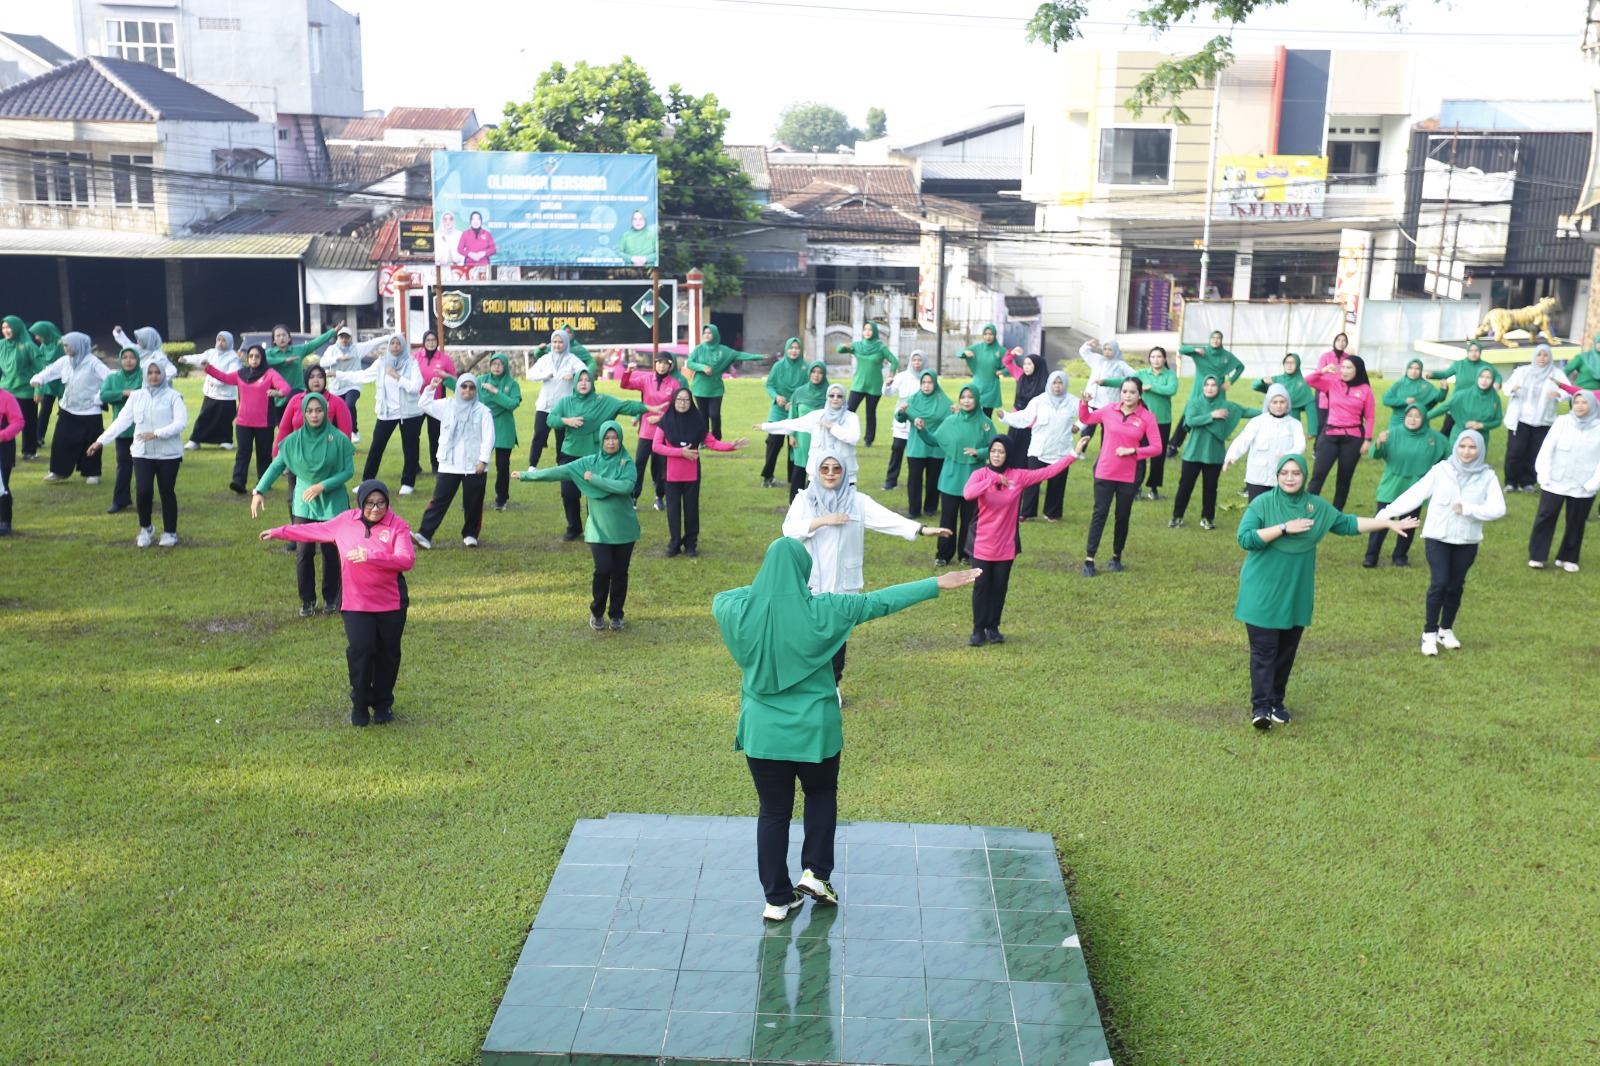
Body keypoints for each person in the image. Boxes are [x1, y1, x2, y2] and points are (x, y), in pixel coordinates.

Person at [713, 537, 980, 920]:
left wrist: (769, 589)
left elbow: (725, 594)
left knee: (773, 812)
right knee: (820, 794)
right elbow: (880, 601)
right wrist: (937, 582)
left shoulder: (733, 609)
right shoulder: (828, 608)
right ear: (803, 572)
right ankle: (816, 874)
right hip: (815, 732)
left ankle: (776, 900)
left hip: (763, 735)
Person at [1236, 455, 1419, 727]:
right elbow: (1245, 538)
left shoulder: (1316, 507)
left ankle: (1276, 702)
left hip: (1296, 592)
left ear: (1304, 475)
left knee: (1286, 650)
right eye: (1284, 473)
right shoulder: (1262, 503)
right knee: (1264, 650)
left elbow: (1347, 524)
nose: (1289, 478)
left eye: (1296, 473)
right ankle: (1260, 708)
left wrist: (1387, 523)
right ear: (1277, 476)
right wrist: (1283, 528)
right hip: (1262, 592)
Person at [783, 449, 951, 686]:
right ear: (817, 471)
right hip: (812, 584)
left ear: (844, 472)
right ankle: (806, 685)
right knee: (809, 637)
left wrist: (921, 529)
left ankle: (833, 686)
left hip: (842, 584)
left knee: (837, 636)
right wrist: (822, 521)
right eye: (825, 468)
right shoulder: (804, 500)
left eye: (836, 469)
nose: (830, 473)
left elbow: (887, 519)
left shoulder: (857, 501)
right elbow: (788, 531)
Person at [260, 480, 415, 726]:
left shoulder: (397, 525)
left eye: (381, 503)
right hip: (356, 601)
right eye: (369, 503)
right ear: (360, 502)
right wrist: (280, 532)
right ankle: (360, 703)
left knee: (388, 654)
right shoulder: (345, 521)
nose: (375, 509)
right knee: (361, 650)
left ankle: (383, 704)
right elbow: (313, 530)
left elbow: (406, 560)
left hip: (391, 603)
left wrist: (370, 556)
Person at [1376, 430, 1506, 656]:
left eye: (1472, 447)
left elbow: (1498, 509)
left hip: (1467, 540)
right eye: (1462, 446)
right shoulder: (1441, 470)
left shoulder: (1487, 476)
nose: (1466, 452)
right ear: (1456, 447)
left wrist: (1469, 509)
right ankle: (1429, 633)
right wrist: (1385, 514)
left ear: (1480, 450)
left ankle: (1445, 630)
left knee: (1456, 585)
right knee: (1440, 583)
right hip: (1438, 537)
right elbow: (1415, 494)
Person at [520, 421, 642, 628]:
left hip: (624, 529)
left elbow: (625, 487)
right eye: (607, 438)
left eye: (615, 438)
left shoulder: (626, 463)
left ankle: (616, 615)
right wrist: (526, 475)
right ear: (601, 440)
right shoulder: (589, 463)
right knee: (603, 570)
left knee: (620, 573)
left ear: (620, 440)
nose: (611, 442)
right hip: (599, 530)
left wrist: (594, 479)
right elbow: (559, 472)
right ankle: (597, 613)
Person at [962, 435, 1079, 645]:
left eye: (1001, 452)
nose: (996, 455)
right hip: (982, 544)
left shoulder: (1018, 476)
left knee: (999, 587)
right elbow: (968, 494)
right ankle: (978, 629)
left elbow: (1047, 472)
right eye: (993, 451)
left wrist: (1073, 454)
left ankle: (993, 628)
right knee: (981, 586)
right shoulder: (980, 474)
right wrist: (993, 480)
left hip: (1006, 545)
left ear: (1008, 454)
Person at [252, 392, 356, 615]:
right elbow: (276, 466)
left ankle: (331, 598)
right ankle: (307, 601)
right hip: (304, 504)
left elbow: (349, 471)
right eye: (309, 411)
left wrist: (323, 486)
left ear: (326, 412)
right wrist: (259, 490)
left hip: (333, 504)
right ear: (303, 413)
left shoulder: (338, 439)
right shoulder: (293, 441)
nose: (314, 415)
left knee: (331, 552)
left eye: (318, 411)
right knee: (304, 552)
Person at [87, 360, 188, 547]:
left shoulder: (174, 396)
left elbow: (181, 423)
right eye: (150, 372)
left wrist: (156, 433)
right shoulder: (136, 397)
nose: (154, 376)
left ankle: (170, 532)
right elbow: (121, 422)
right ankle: (146, 528)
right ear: (145, 375)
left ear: (163, 374)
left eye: (157, 372)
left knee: (167, 492)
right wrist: (101, 441)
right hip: (142, 453)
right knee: (143, 491)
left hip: (169, 454)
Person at [549, 369, 653, 541]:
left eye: (587, 380)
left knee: (596, 494)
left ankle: (596, 528)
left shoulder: (602, 401)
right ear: (575, 383)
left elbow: (625, 406)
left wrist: (649, 407)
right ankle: (574, 527)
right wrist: (566, 421)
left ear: (592, 383)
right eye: (580, 380)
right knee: (569, 493)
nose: (583, 383)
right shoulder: (565, 402)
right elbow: (551, 420)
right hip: (570, 453)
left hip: (594, 455)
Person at [1077, 377, 1162, 576]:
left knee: (1122, 516)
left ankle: (1116, 556)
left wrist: (1133, 451)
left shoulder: (1147, 417)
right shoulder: (1109, 410)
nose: (1128, 396)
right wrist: (1084, 403)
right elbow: (1086, 419)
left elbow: (1157, 447)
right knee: (1100, 513)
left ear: (1139, 394)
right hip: (1105, 471)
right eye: (1124, 392)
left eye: (1132, 392)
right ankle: (1089, 559)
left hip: (1129, 475)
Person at [653, 386, 748, 557]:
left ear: (691, 402)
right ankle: (674, 544)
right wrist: (680, 452)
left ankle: (691, 544)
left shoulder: (697, 422)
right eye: (679, 399)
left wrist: (731, 446)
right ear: (674, 401)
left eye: (686, 400)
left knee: (691, 510)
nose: (682, 403)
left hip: (691, 475)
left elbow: (713, 443)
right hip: (671, 475)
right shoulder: (665, 422)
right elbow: (656, 446)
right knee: (673, 511)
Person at [413, 373, 495, 549]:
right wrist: (431, 388)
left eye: (471, 387)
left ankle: (471, 534)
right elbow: (423, 404)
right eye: (464, 386)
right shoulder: (447, 405)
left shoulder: (483, 411)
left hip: (474, 465)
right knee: (439, 500)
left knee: (473, 502)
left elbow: (489, 438)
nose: (467, 390)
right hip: (449, 463)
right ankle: (424, 535)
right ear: (457, 388)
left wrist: (483, 461)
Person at [1365, 403, 1448, 569]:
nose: (1412, 419)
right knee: (1381, 520)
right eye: (1409, 415)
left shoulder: (1434, 438)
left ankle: (1400, 555)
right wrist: (1379, 442)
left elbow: (1451, 455)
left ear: (1424, 419)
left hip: (1416, 488)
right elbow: (1375, 454)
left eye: (1417, 416)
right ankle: (1371, 556)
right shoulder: (1392, 433)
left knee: (1409, 522)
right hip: (1392, 485)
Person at [339, 335, 424, 495]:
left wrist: (397, 376)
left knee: (410, 448)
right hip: (386, 412)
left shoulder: (411, 363)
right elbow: (362, 375)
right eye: (392, 343)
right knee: (376, 446)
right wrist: (338, 374)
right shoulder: (382, 362)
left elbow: (415, 386)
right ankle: (366, 481)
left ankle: (408, 483)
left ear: (403, 346)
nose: (395, 346)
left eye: (398, 344)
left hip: (409, 413)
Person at [1171, 376, 1259, 529]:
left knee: (1210, 488)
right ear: (1202, 387)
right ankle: (1177, 517)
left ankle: (1207, 518)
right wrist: (1212, 415)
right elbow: (1190, 420)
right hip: (1193, 454)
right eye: (1207, 384)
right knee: (1185, 486)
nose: (1210, 388)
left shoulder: (1226, 406)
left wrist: (1271, 410)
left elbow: (1244, 411)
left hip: (1214, 454)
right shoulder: (1194, 403)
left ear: (1219, 388)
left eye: (1213, 385)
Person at [1528, 388, 1600, 571]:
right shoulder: (1562, 422)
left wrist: (1594, 483)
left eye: (1584, 402)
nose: (1580, 406)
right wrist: (1543, 472)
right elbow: (1547, 447)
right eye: (1577, 402)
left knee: (1576, 521)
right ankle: (1537, 556)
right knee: (1546, 516)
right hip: (1555, 481)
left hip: (1583, 485)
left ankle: (1568, 558)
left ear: (1593, 405)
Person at [919, 386, 992, 566]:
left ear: (976, 399)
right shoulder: (950, 421)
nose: (966, 401)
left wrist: (980, 452)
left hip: (974, 480)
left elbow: (995, 447)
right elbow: (934, 440)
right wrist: (922, 430)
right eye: (963, 397)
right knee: (948, 519)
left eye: (970, 397)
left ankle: (966, 554)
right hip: (951, 479)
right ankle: (943, 555)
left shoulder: (985, 423)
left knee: (969, 520)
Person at [205, 345, 289, 496]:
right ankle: (238, 481)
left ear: (262, 358)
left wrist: (278, 393)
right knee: (243, 452)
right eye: (251, 356)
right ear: (247, 358)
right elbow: (224, 377)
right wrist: (208, 368)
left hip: (264, 423)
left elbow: (285, 387)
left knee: (264, 454)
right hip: (243, 422)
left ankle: (264, 482)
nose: (254, 359)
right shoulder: (241, 374)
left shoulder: (269, 373)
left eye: (257, 356)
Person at [31, 330, 110, 485]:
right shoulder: (64, 361)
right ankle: (58, 471)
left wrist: (99, 396)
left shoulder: (93, 363)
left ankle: (92, 473)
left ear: (77, 345)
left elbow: (110, 380)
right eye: (64, 345)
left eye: (68, 345)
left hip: (90, 411)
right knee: (61, 441)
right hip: (68, 409)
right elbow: (49, 372)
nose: (65, 348)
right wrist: (38, 379)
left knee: (91, 442)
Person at [1099, 347, 1178, 500]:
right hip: (1141, 421)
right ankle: (1135, 486)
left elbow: (1171, 389)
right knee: (1138, 454)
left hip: (1162, 421)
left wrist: (1151, 387)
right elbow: (1124, 381)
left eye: (1159, 357)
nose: (1156, 360)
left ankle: (1154, 488)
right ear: (1149, 359)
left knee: (1158, 456)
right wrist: (1105, 382)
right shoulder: (1142, 374)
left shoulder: (1170, 375)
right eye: (1153, 357)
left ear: (1164, 359)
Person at [998, 371, 1076, 522]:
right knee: (1032, 481)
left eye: (1060, 383)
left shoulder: (1072, 401)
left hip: (1061, 450)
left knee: (1057, 483)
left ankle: (1052, 513)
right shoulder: (1039, 401)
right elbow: (1024, 417)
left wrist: (1078, 425)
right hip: (1039, 449)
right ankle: (1027, 512)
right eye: (1054, 383)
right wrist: (1005, 416)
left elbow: (1087, 415)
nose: (1057, 386)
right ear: (1049, 384)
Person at [1304, 354, 1375, 511]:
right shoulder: (1332, 383)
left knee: (1344, 478)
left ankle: (1337, 513)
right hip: (1329, 435)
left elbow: (1370, 416)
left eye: (1349, 368)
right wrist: (1322, 371)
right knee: (1318, 474)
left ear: (1358, 370)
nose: (1344, 371)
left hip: (1353, 438)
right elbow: (1308, 380)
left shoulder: (1365, 390)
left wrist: (1368, 439)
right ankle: (1307, 510)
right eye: (1343, 367)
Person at [755, 383, 862, 486]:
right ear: (827, 397)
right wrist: (765, 426)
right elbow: (791, 424)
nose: (835, 398)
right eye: (831, 395)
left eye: (839, 396)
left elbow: (854, 437)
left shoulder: (851, 417)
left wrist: (833, 427)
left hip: (844, 474)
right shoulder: (817, 416)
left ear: (844, 398)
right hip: (818, 473)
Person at [619, 349, 686, 509]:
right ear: (655, 364)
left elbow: (678, 409)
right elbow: (625, 385)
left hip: (664, 432)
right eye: (659, 363)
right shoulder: (646, 379)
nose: (662, 366)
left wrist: (661, 419)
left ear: (670, 366)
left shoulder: (675, 384)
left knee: (662, 466)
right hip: (646, 431)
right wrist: (628, 372)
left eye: (665, 364)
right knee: (639, 464)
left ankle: (659, 496)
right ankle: (634, 496)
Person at [1502, 343, 1570, 493]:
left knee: (1535, 452)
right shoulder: (1523, 372)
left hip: (1543, 421)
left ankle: (1527, 482)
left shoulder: (1556, 374)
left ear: (1550, 357)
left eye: (1545, 355)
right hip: (1520, 420)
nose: (1542, 358)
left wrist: (1559, 394)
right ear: (1534, 356)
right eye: (1539, 354)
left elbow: (1568, 391)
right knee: (1516, 451)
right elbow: (1506, 387)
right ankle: (1511, 482)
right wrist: (1512, 389)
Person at [1223, 384, 1304, 502]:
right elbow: (1242, 440)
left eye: (1282, 402)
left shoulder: (1295, 424)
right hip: (1258, 478)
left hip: (1284, 479)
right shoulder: (1257, 422)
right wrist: (1231, 456)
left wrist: (1287, 455)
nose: (1278, 406)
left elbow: (1300, 445)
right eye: (1274, 402)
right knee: (1257, 509)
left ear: (1288, 404)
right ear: (1268, 403)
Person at [1172, 330, 1246, 455]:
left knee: (1217, 418)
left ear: (1221, 340)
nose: (1215, 340)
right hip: (1198, 391)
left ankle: (1214, 447)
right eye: (1213, 338)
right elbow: (1181, 350)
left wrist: (1230, 381)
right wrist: (1195, 350)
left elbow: (1240, 367)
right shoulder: (1202, 351)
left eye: (1218, 338)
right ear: (1209, 339)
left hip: (1217, 392)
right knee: (1188, 416)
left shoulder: (1226, 356)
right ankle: (1173, 446)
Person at [685, 324, 763, 439]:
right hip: (700, 388)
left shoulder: (723, 350)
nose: (706, 335)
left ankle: (716, 439)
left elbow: (739, 355)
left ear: (715, 334)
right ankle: (704, 439)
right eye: (705, 333)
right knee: (703, 415)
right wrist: (702, 367)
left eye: (709, 333)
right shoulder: (698, 349)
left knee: (715, 415)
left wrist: (760, 356)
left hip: (715, 389)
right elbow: (690, 363)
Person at [526, 329, 590, 468]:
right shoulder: (546, 359)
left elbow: (585, 372)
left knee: (561, 438)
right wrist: (545, 375)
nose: (557, 345)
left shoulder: (572, 359)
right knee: (539, 435)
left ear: (566, 343)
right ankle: (533, 465)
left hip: (563, 408)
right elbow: (530, 374)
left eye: (560, 342)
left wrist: (574, 377)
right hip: (544, 406)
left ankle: (561, 465)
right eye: (554, 342)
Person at [894, 366, 950, 518]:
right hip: (916, 447)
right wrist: (901, 412)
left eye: (930, 382)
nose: (926, 386)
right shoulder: (913, 400)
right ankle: (914, 510)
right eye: (923, 382)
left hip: (936, 448)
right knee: (914, 480)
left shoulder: (944, 401)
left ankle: (931, 508)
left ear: (935, 384)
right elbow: (900, 418)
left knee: (933, 479)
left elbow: (953, 419)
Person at [318, 326, 389, 443]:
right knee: (334, 413)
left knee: (349, 405)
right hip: (336, 386)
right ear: (338, 338)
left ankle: (354, 431)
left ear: (350, 338)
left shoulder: (357, 349)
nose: (344, 339)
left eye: (346, 337)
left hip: (353, 384)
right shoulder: (332, 349)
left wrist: (389, 337)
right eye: (341, 337)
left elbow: (372, 343)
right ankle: (336, 439)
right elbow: (322, 362)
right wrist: (338, 358)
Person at [260, 323, 340, 425]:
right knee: (283, 426)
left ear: (289, 338)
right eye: (278, 336)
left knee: (298, 422)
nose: (281, 338)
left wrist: (333, 332)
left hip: (297, 391)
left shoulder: (298, 350)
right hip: (277, 397)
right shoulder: (269, 353)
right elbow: (265, 360)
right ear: (274, 340)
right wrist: (284, 360)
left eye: (284, 335)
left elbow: (315, 342)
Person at [838, 321, 898, 447]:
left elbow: (894, 361)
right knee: (849, 410)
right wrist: (843, 345)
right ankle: (845, 435)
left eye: (870, 330)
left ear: (874, 332)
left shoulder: (880, 348)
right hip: (858, 385)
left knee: (870, 413)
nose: (867, 332)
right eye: (865, 329)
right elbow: (839, 350)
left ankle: (869, 440)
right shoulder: (857, 346)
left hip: (874, 386)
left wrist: (891, 376)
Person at [760, 338, 810, 489]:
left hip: (797, 411)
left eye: (796, 348)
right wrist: (776, 396)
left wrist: (795, 402)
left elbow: (808, 389)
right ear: (787, 349)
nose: (793, 351)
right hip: (778, 410)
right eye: (791, 348)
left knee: (795, 445)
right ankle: (768, 476)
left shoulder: (805, 368)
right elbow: (769, 385)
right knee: (773, 442)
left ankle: (793, 479)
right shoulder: (778, 366)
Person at [99, 347, 143, 514]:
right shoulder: (113, 378)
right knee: (123, 465)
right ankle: (120, 500)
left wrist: (127, 395)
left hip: (143, 430)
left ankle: (144, 497)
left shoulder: (144, 376)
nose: (128, 361)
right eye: (125, 357)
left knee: (143, 467)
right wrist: (124, 393)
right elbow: (104, 395)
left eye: (132, 357)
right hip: (123, 430)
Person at [179, 332, 240, 450]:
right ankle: (195, 440)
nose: (221, 343)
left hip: (226, 396)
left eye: (224, 340)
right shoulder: (211, 353)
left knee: (225, 420)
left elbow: (231, 375)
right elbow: (199, 358)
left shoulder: (233, 357)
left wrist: (216, 382)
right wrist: (186, 359)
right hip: (211, 393)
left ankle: (226, 441)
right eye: (219, 340)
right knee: (204, 417)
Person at [477, 353, 522, 512]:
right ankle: (473, 497)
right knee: (478, 463)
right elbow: (468, 394)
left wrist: (495, 391)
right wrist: (447, 378)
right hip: (483, 427)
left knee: (502, 466)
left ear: (505, 366)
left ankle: (501, 499)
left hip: (503, 428)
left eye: (500, 364)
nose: (496, 367)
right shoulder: (481, 380)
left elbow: (512, 404)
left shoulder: (512, 384)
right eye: (494, 364)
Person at [272, 365, 352, 453]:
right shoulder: (295, 400)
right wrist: (277, 454)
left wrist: (344, 454)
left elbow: (345, 433)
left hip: (327, 453)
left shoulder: (337, 402)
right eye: (311, 377)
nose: (316, 380)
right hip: (297, 452)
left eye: (320, 377)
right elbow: (284, 429)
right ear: (306, 379)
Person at [1426, 367, 1503, 456]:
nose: (1484, 380)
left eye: (1488, 378)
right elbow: (1443, 408)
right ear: (1477, 378)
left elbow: (1498, 420)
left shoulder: (1494, 398)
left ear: (1493, 380)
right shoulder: (1463, 395)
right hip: (1459, 436)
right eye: (1481, 377)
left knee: (1475, 462)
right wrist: (1422, 417)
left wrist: (1481, 425)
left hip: (1480, 439)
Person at [781, 362, 831, 500]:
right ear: (809, 374)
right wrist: (791, 435)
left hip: (822, 438)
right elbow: (792, 415)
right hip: (802, 438)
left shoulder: (830, 393)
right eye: (813, 372)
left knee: (819, 469)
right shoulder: (799, 392)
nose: (816, 375)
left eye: (820, 372)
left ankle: (816, 501)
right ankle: (795, 502)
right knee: (800, 468)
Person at [412, 331, 456, 475]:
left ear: (437, 342)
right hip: (416, 403)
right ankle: (414, 465)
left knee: (435, 435)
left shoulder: (445, 359)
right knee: (413, 435)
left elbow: (454, 380)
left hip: (436, 404)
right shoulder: (415, 357)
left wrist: (445, 376)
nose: (431, 343)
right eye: (428, 340)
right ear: (423, 342)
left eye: (433, 340)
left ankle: (436, 466)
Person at [0, 316, 41, 459]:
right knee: (4, 424)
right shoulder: (1, 345)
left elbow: (41, 370)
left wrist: (39, 389)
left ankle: (29, 452)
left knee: (28, 422)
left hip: (25, 391)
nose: (6, 331)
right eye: (3, 328)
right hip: (6, 390)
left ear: (17, 328)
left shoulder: (29, 346)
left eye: (9, 327)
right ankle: (4, 454)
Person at [1000, 350, 1047, 474]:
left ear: (1037, 366)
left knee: (1026, 455)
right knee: (1012, 450)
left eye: (1029, 364)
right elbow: (1006, 362)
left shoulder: (1045, 383)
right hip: (1016, 421)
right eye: (1025, 364)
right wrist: (1013, 353)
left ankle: (1026, 478)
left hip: (1033, 425)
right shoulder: (1020, 375)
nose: (1026, 367)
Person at [1079, 339, 1134, 441]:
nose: (1107, 352)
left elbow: (1134, 376)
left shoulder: (1121, 365)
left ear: (1115, 350)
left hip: (1109, 405)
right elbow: (1083, 352)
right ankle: (1080, 449)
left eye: (1110, 349)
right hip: (1093, 402)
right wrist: (1088, 344)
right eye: (1105, 349)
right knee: (1087, 430)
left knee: (1107, 433)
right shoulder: (1098, 360)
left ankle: (1105, 450)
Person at [1254, 352, 1320, 438]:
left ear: (1297, 364)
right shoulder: (1276, 379)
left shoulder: (1303, 384)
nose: (1289, 365)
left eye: (1292, 363)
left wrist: (1312, 431)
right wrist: (1262, 381)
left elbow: (1310, 406)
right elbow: (1254, 386)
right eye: (1287, 362)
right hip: (1274, 419)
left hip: (1293, 420)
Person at [28, 321, 64, 454]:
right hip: (49, 382)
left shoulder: (61, 344)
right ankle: (39, 437)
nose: (36, 338)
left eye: (38, 334)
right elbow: (42, 364)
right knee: (44, 410)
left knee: (64, 412)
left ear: (45, 332)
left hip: (64, 383)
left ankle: (63, 438)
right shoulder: (44, 346)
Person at [958, 324, 1009, 416]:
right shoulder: (977, 348)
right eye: (985, 334)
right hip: (977, 386)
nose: (988, 337)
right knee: (973, 413)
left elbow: (1010, 365)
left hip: (992, 388)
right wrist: (964, 352)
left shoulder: (1001, 350)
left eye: (990, 334)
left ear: (995, 335)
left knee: (987, 416)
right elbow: (958, 353)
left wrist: (1002, 372)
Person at [1380, 359, 1444, 420]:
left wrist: (1443, 389)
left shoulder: (1425, 385)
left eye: (1417, 369)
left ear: (1421, 370)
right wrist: (1404, 401)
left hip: (1419, 420)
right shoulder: (1399, 384)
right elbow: (1386, 400)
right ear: (1407, 369)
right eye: (1410, 368)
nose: (1413, 371)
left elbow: (1439, 398)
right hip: (1399, 419)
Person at [0, 385, 21, 534]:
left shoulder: (7, 398)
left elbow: (18, 422)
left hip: (3, 448)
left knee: (2, 486)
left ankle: (5, 522)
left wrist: (2, 435)